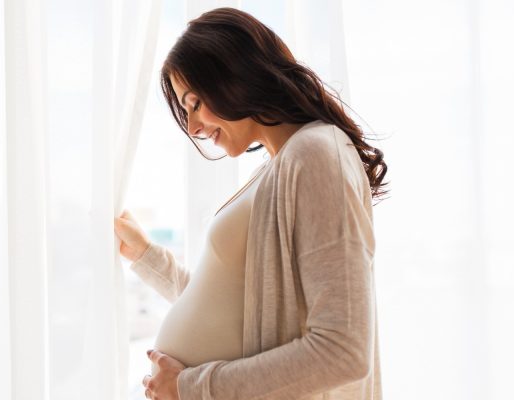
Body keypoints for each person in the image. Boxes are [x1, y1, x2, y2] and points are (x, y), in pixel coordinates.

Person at [114, 7, 388, 400]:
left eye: (194, 103)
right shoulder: (282, 164)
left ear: (234, 76)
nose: (191, 127)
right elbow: (241, 310)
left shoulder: (317, 154)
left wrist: (190, 386)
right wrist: (146, 256)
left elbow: (342, 351)